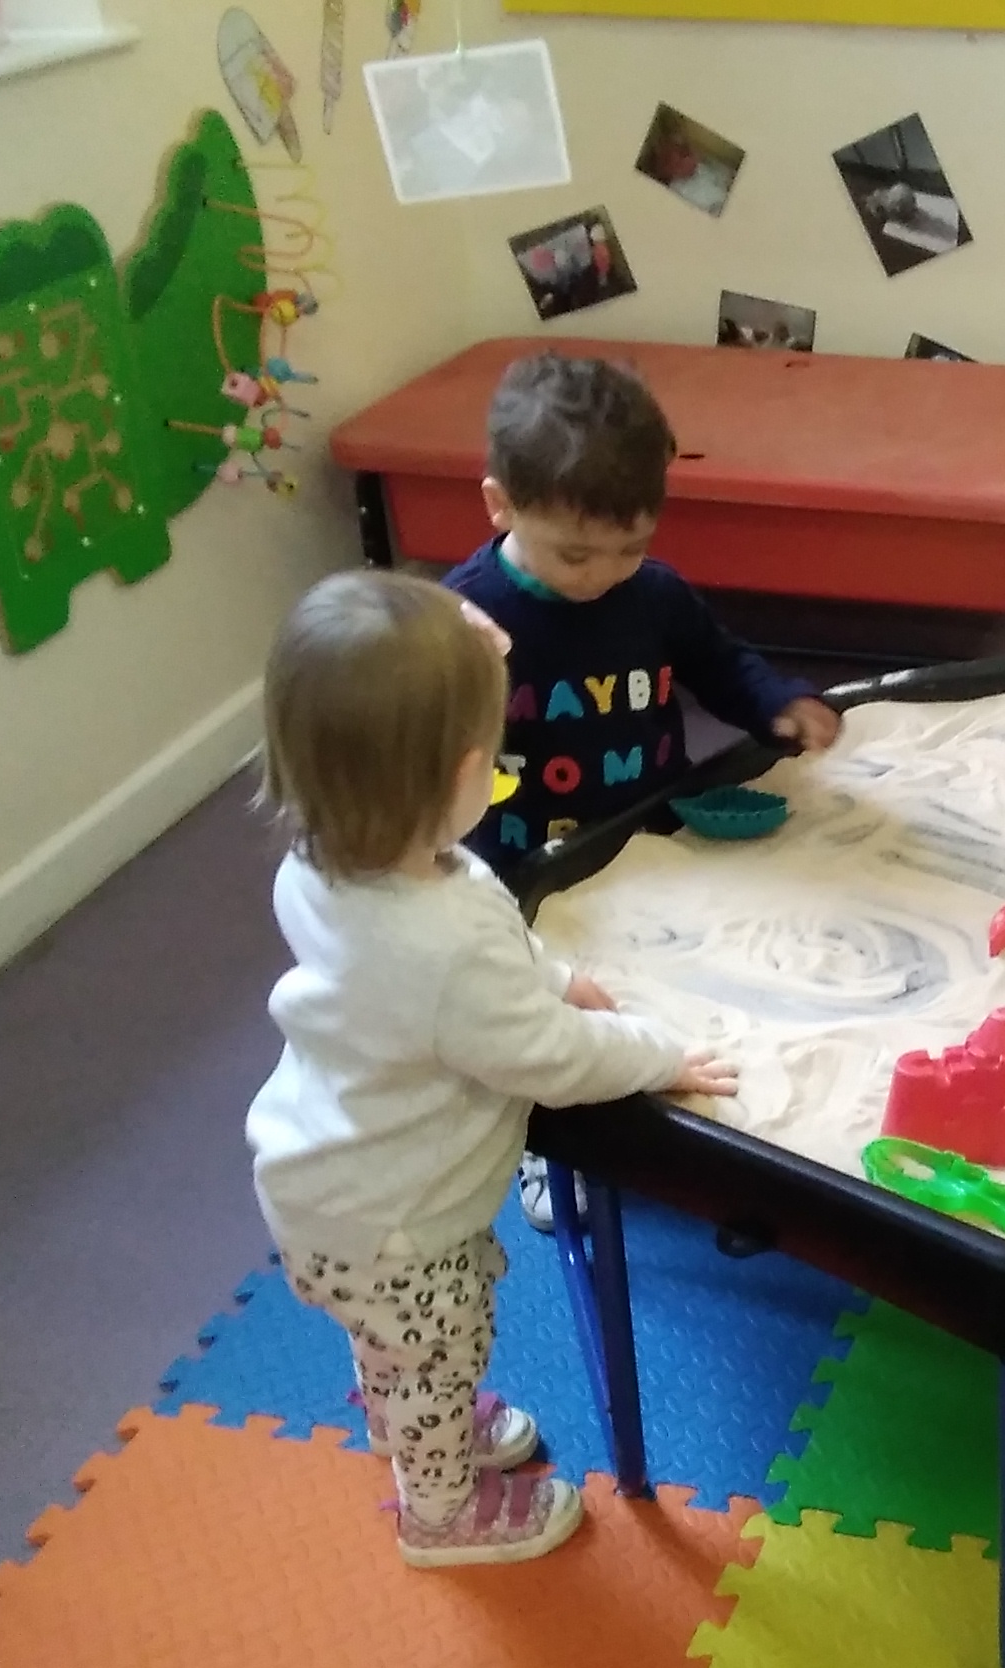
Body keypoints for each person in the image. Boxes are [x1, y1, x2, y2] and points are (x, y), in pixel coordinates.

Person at [246, 571, 739, 1567]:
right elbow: (549, 1058)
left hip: (320, 1181)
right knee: (442, 1351)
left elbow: (473, 966)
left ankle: (398, 1411)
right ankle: (441, 1513)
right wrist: (659, 1056)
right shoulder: (439, 938)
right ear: (469, 773)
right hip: (399, 1223)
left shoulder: (325, 858)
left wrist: (550, 976)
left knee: (394, 1345)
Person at [444, 351, 841, 1231]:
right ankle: (551, 1145)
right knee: (545, 1011)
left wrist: (777, 703)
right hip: (522, 861)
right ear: (500, 505)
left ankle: (700, 1126)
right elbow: (422, 742)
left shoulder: (653, 596)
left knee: (666, 990)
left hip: (644, 833)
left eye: (630, 548)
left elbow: (719, 663)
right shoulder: (467, 618)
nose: (601, 574)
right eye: (574, 552)